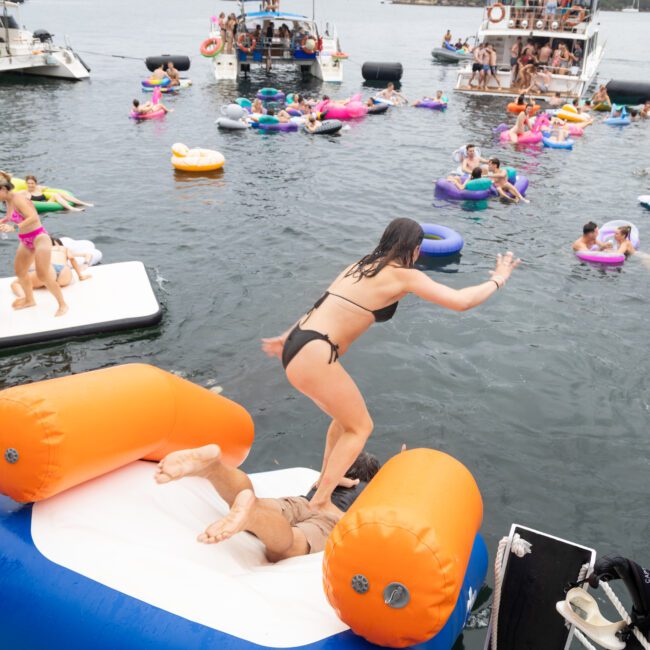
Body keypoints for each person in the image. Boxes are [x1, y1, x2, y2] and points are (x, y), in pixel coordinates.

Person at [261, 218, 520, 514]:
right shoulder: (404, 276)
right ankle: (320, 503)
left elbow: (321, 303)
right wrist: (498, 278)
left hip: (297, 343)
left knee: (344, 420)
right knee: (361, 427)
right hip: (316, 352)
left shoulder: (360, 265)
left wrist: (285, 337)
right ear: (416, 248)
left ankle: (327, 481)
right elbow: (460, 301)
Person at [155, 444, 380, 559]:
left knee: (264, 504)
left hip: (304, 501)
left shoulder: (329, 476)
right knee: (288, 546)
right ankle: (253, 516)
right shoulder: (371, 489)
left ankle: (214, 469)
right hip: (332, 519)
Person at [0, 175, 68, 316]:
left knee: (43, 275)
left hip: (39, 238)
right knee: (20, 273)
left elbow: (33, 217)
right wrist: (4, 221)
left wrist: (14, 227)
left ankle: (63, 304)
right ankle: (29, 300)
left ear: (3, 189)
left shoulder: (18, 198)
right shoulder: (8, 201)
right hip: (25, 240)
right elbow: (11, 216)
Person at [10, 235, 91, 298]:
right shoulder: (64, 248)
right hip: (65, 274)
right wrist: (80, 276)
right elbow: (72, 258)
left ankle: (23, 297)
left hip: (49, 271)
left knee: (16, 283)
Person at [23, 175, 92, 212]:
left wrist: (46, 188)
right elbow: (14, 196)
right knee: (56, 195)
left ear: (35, 183)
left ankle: (84, 203)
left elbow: (48, 188)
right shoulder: (24, 192)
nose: (30, 185)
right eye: (28, 183)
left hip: (48, 203)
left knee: (60, 193)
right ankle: (72, 208)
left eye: (32, 183)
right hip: (42, 206)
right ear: (26, 184)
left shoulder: (39, 188)